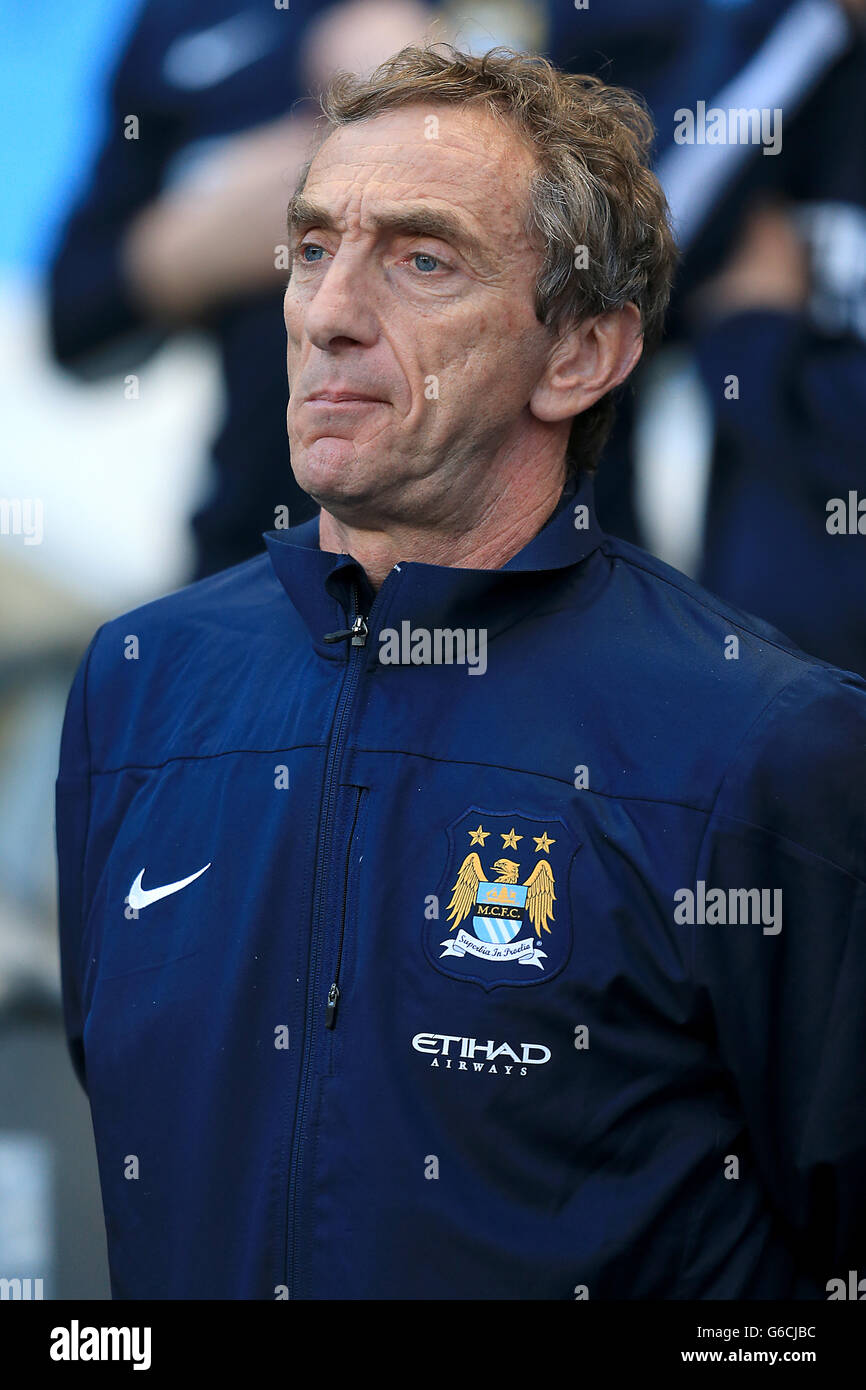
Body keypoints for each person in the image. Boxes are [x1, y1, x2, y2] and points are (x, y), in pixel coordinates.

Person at [55, 44, 866, 1300]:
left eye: (422, 260)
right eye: (314, 247)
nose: (327, 312)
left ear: (579, 357)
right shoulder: (139, 680)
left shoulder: (765, 744)